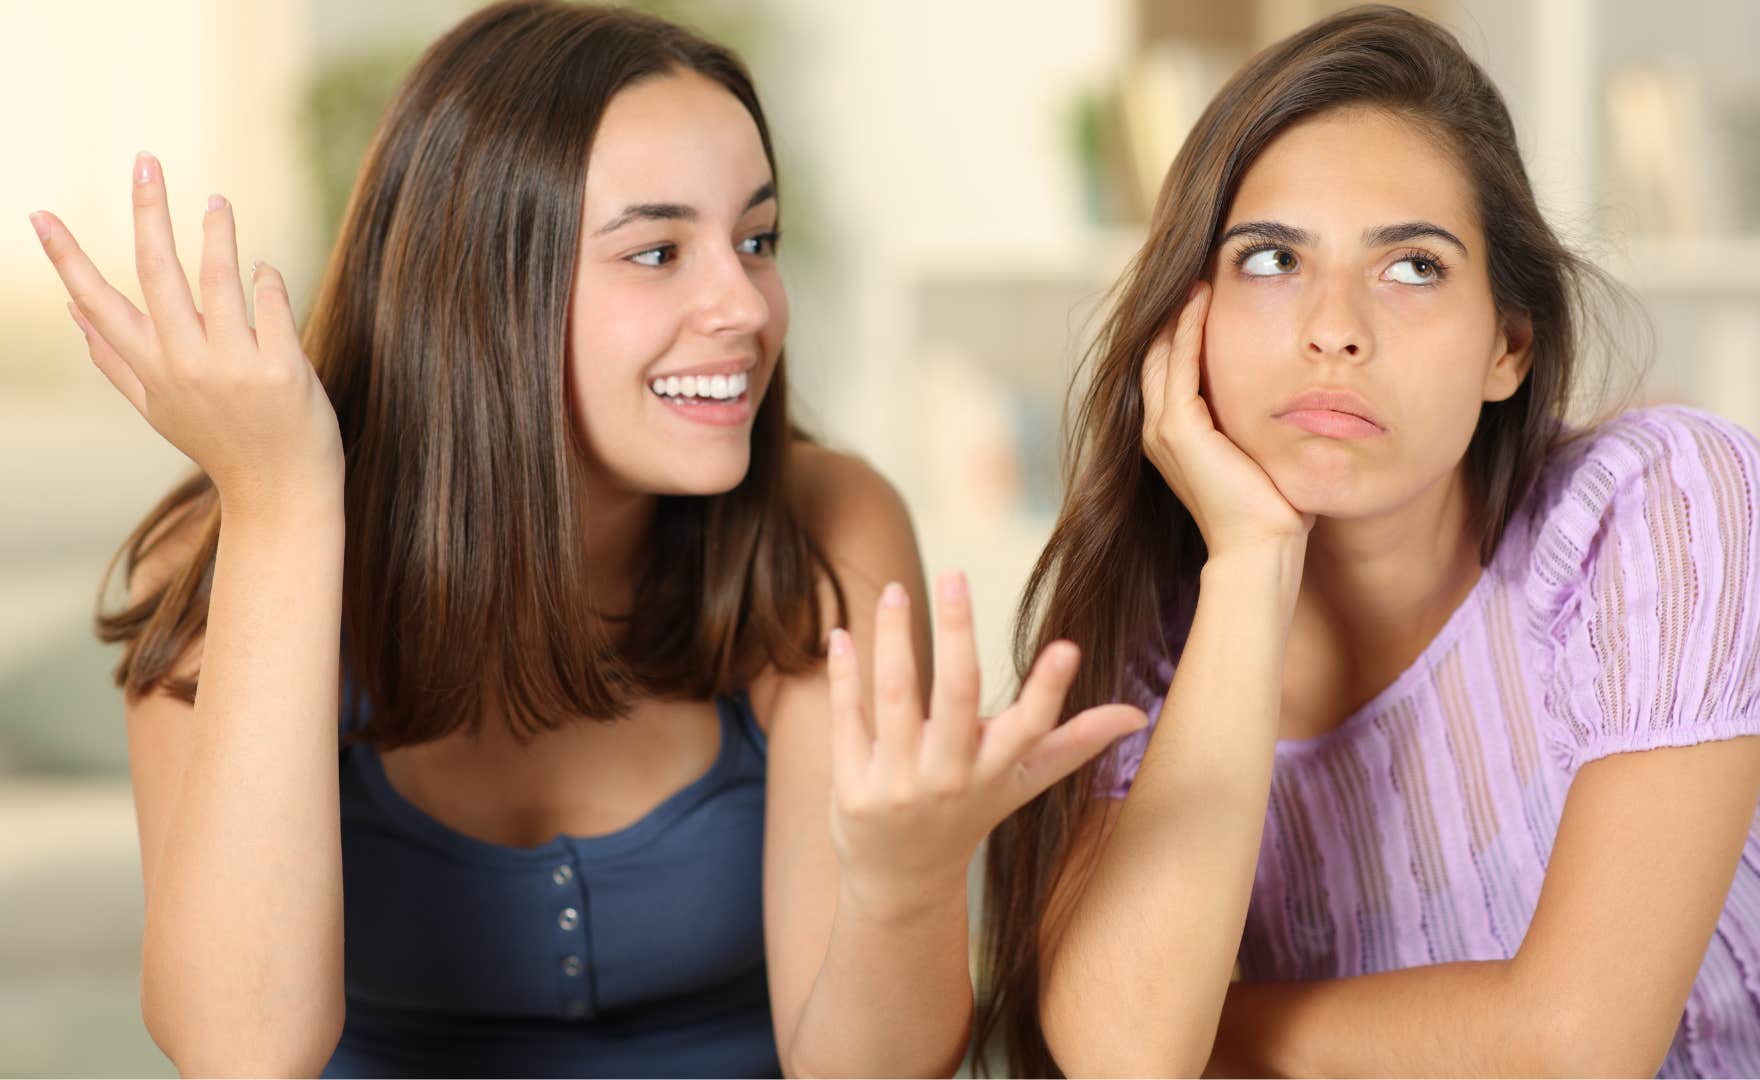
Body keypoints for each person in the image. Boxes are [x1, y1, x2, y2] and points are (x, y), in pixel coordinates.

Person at [28, 2, 1139, 1075]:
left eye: (757, 239)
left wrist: (904, 886)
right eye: (657, 253)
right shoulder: (229, 560)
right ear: (482, 292)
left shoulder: (826, 532)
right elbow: (243, 1053)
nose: (747, 306)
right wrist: (281, 507)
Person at [976, 6, 1760, 1076]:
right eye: (1269, 261)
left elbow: (1575, 1048)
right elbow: (1121, 1058)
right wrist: (1254, 559)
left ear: (1509, 343)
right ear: (1185, 322)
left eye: (1412, 267)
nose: (1336, 326)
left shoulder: (1665, 508)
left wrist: (1214, 1029)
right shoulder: (1149, 661)